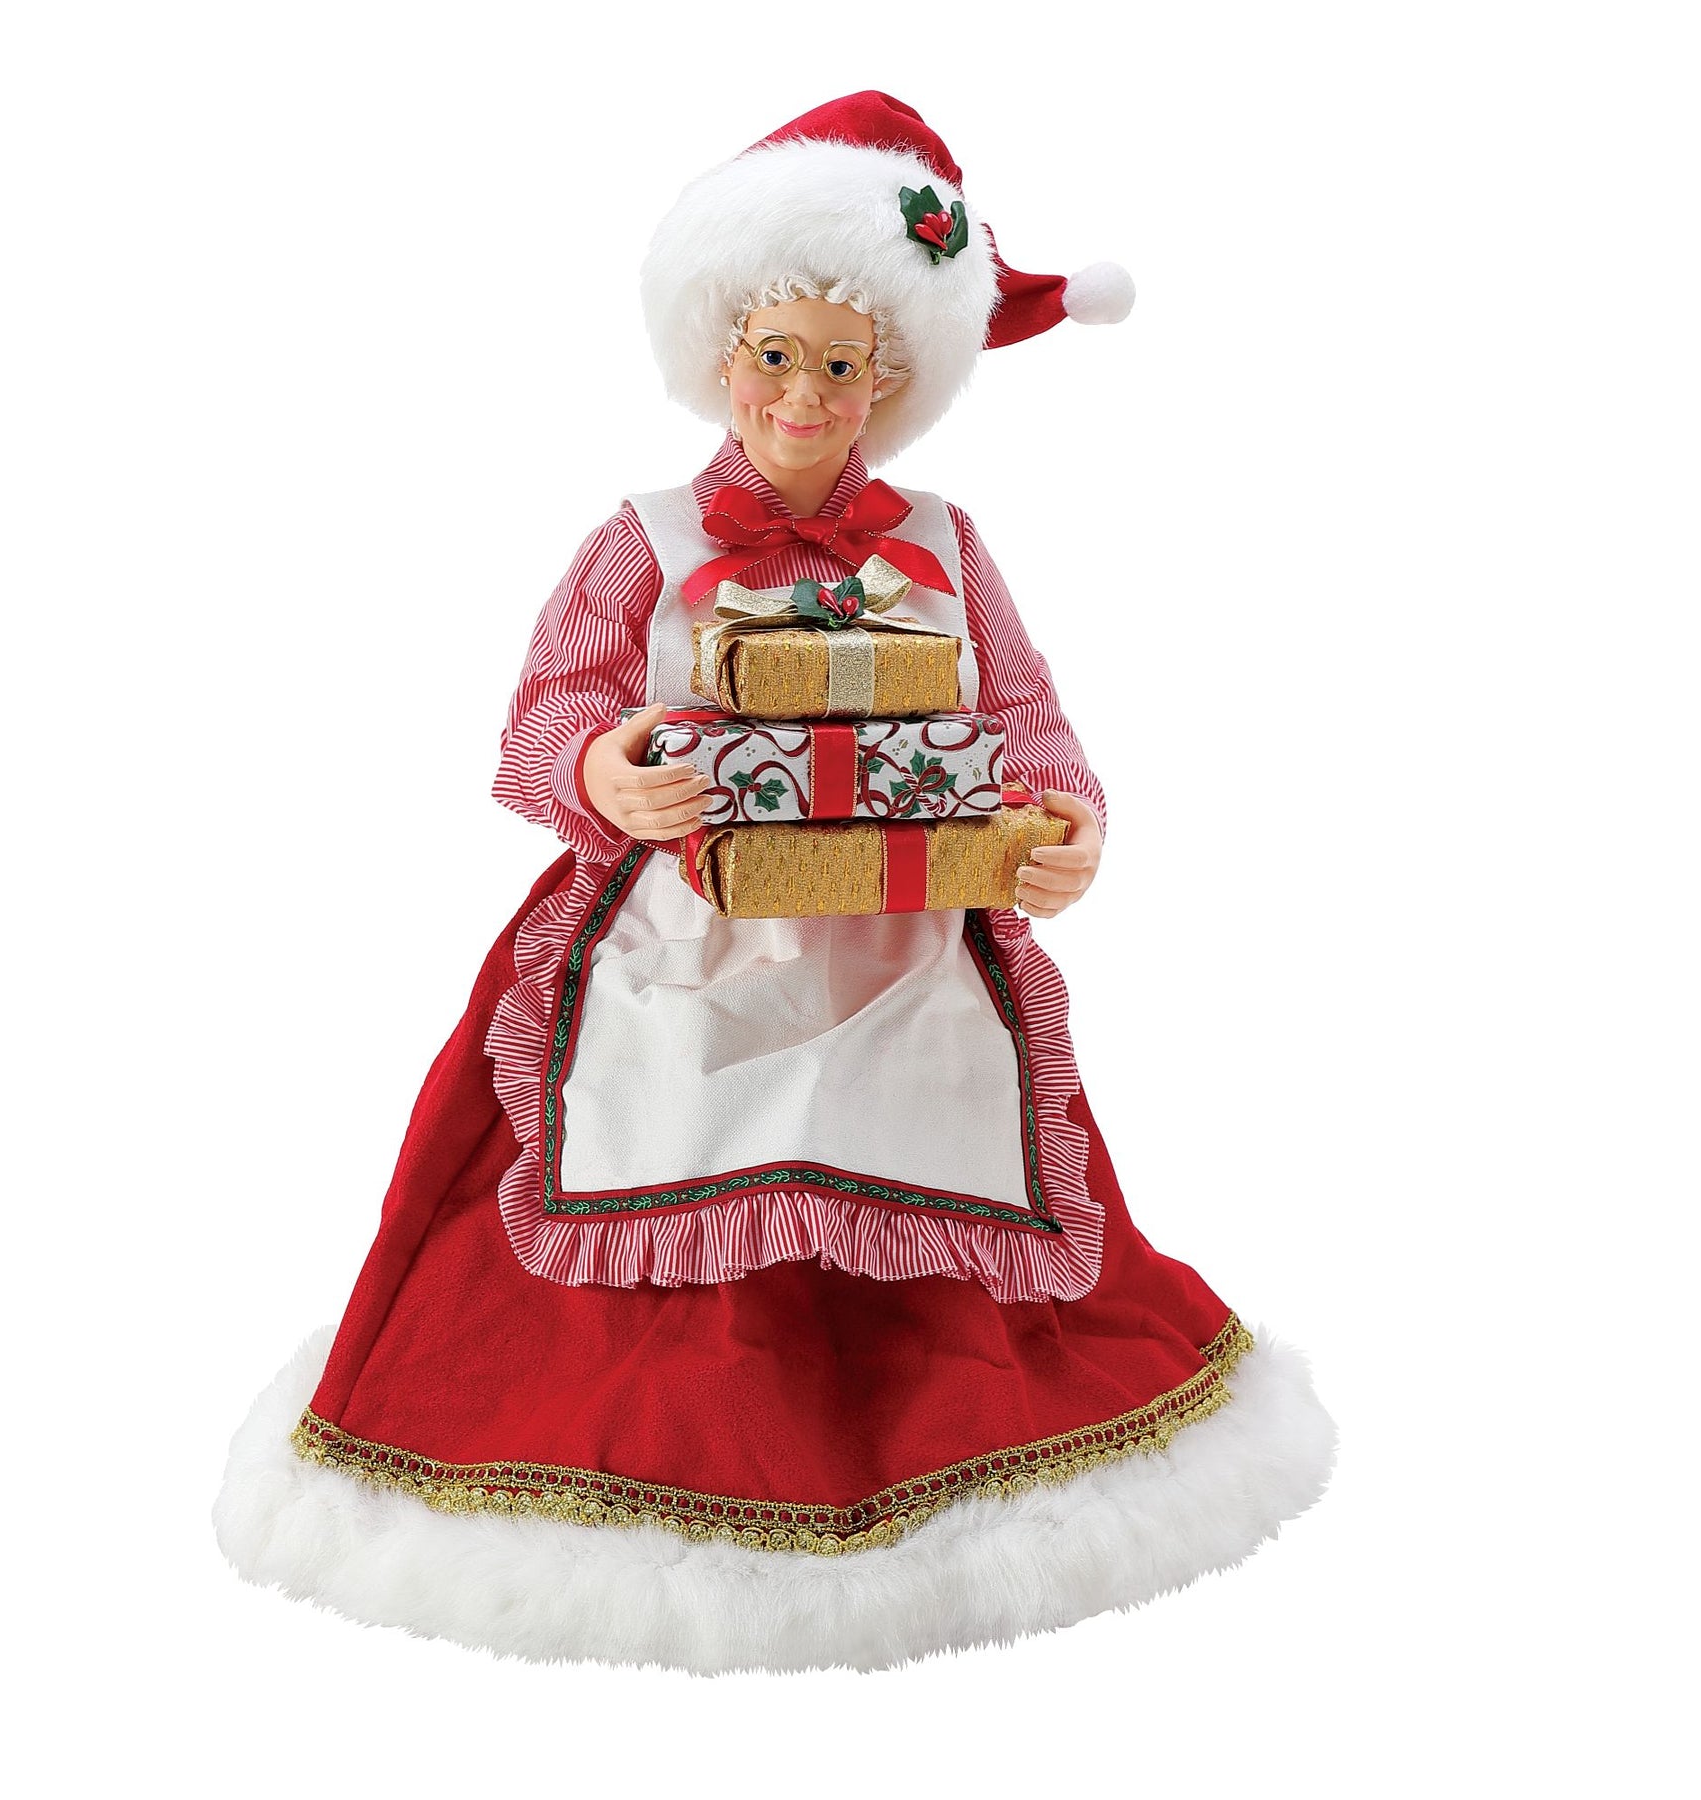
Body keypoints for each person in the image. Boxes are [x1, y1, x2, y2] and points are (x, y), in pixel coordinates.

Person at [214, 91, 1335, 1675]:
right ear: (723, 352)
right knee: (674, 1130)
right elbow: (545, 710)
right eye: (777, 356)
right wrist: (603, 771)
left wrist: (1062, 818)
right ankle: (656, 1470)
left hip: (901, 936)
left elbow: (1021, 712)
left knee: (917, 1137)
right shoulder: (647, 540)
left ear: (889, 378)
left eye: (843, 365)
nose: (805, 394)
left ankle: (915, 1446)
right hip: (680, 938)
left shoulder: (945, 545)